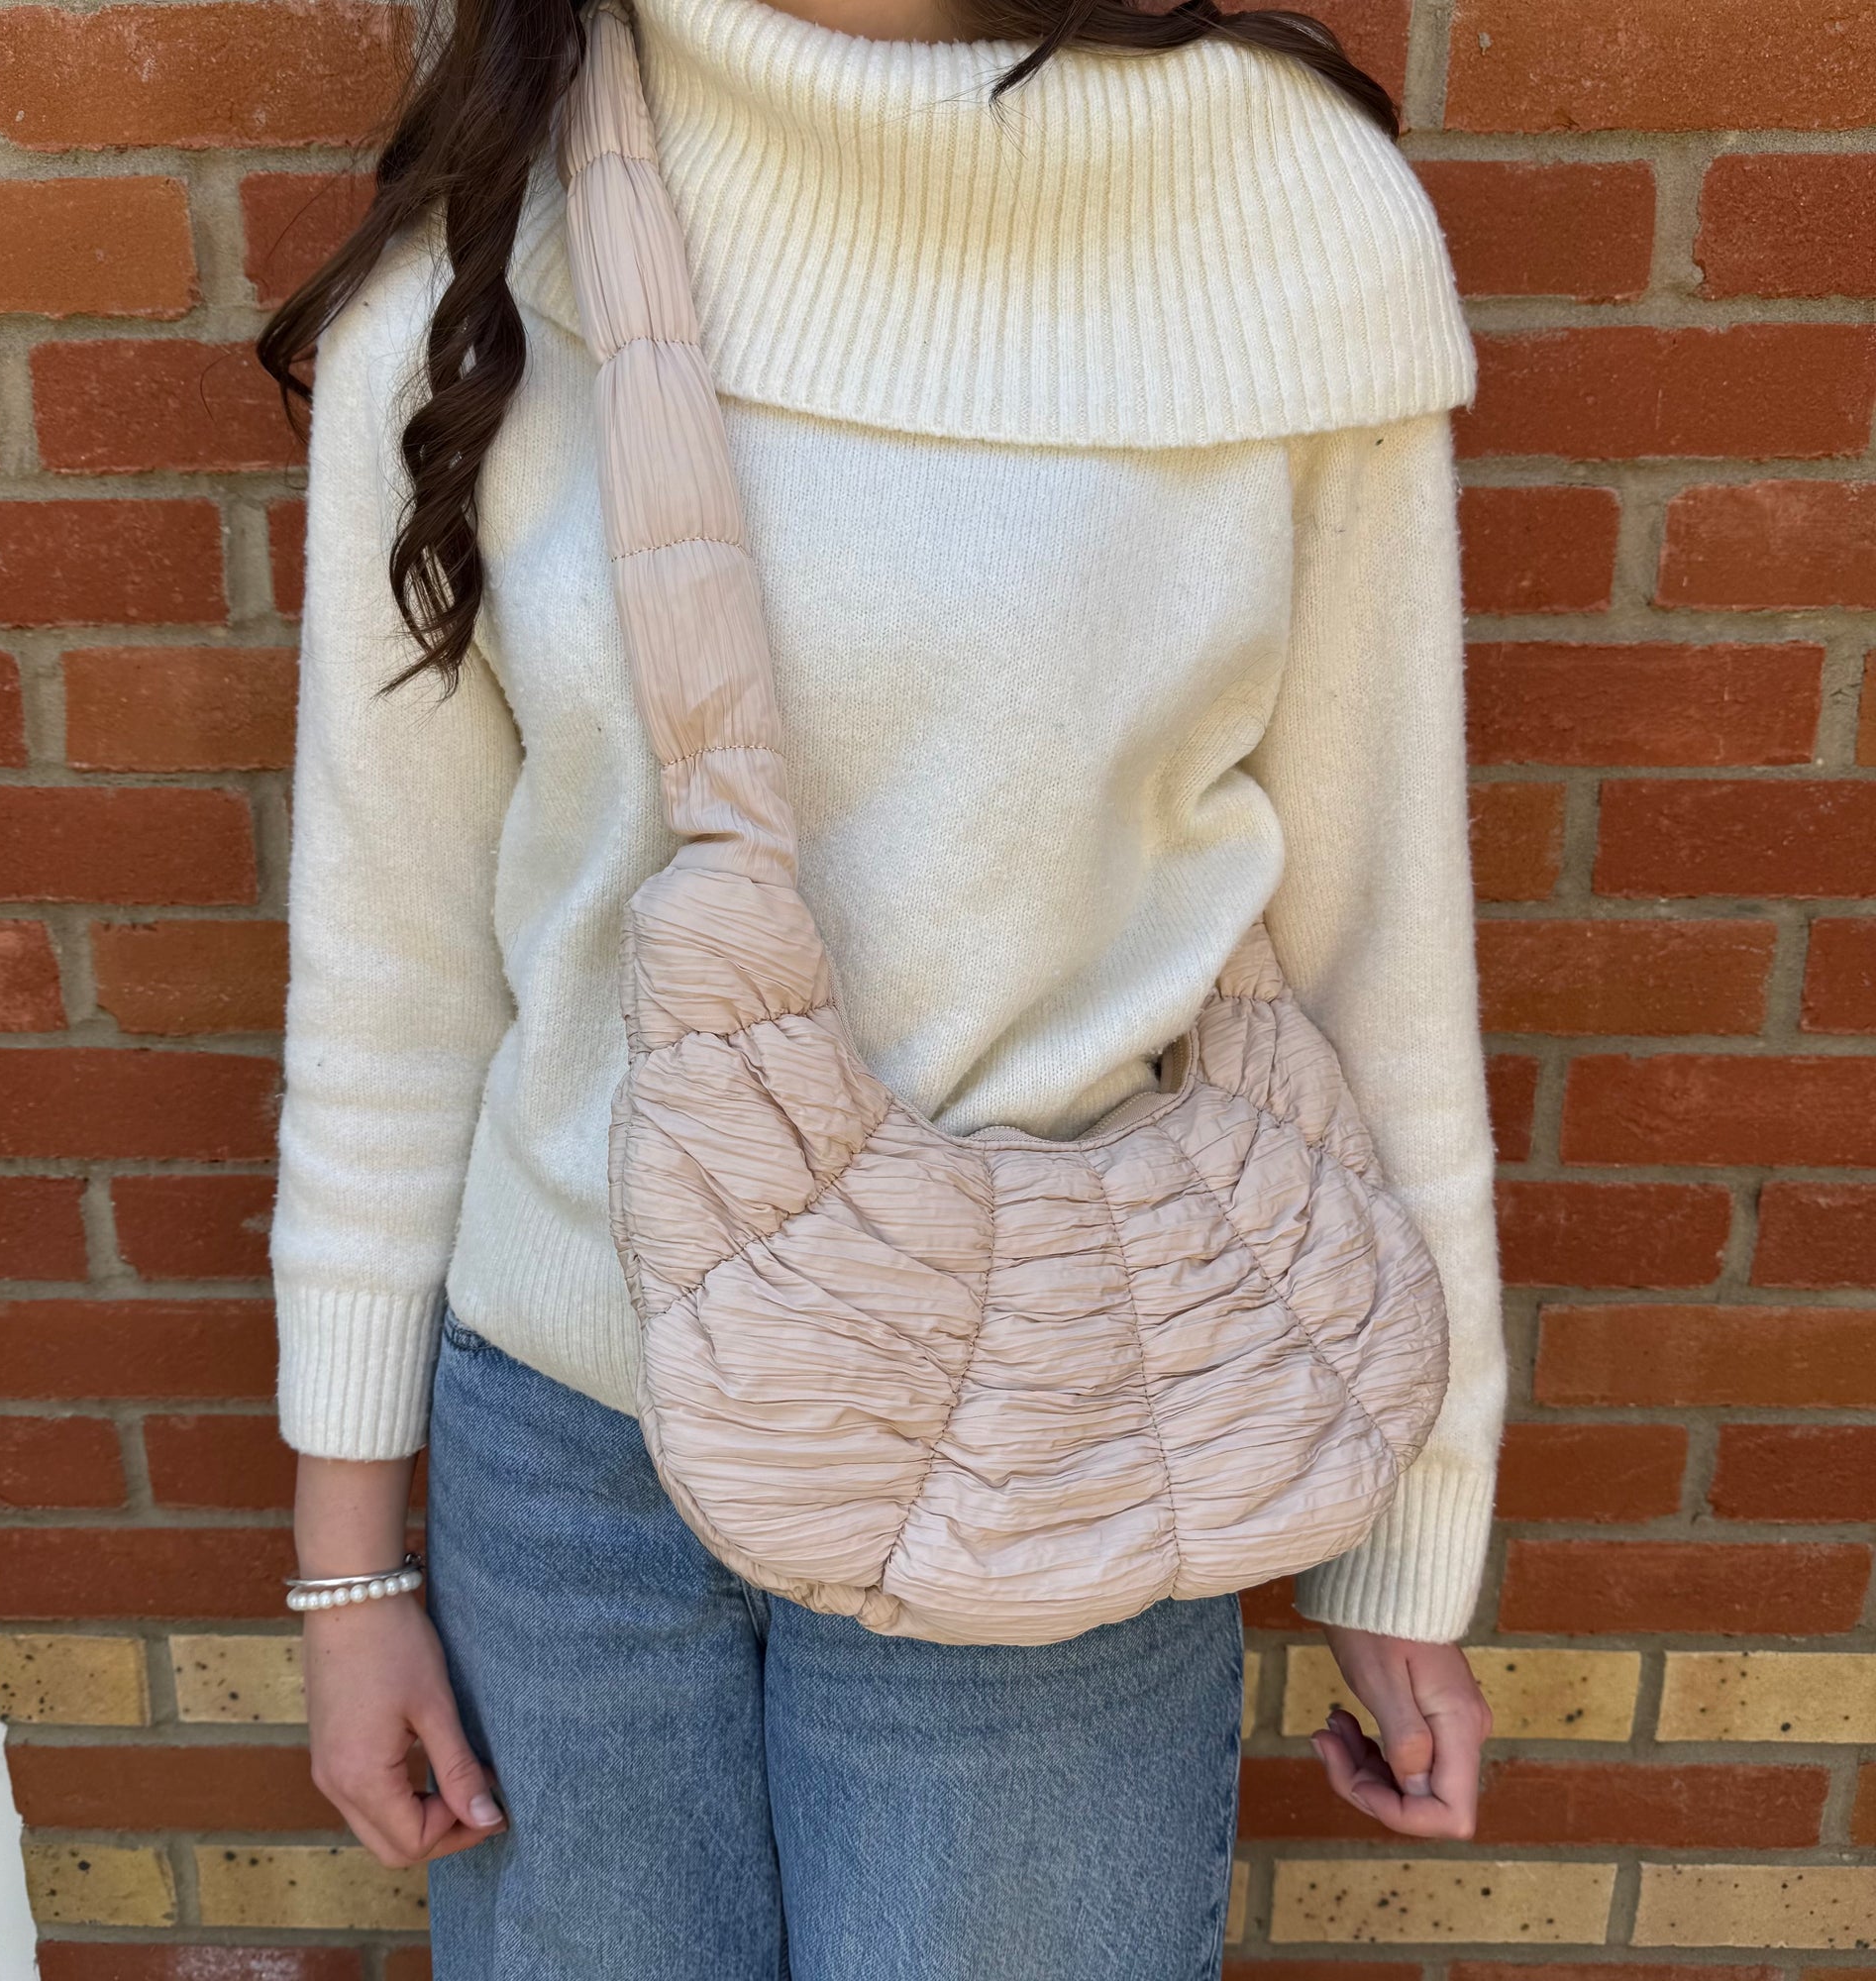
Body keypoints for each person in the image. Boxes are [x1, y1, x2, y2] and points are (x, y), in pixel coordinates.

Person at [260, 0, 1507, 1970]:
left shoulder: (1277, 215)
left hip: (1064, 1443)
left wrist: (1406, 1537)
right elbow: (397, 970)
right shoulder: (499, 224)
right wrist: (355, 1578)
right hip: (570, 1478)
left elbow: (1380, 942)